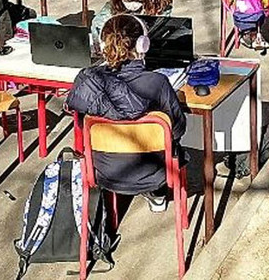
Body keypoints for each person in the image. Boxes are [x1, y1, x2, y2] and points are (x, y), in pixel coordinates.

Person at [65, 13, 186, 212]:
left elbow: (79, 125)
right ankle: (156, 194)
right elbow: (177, 129)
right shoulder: (158, 82)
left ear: (103, 46)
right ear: (142, 45)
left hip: (104, 172)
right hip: (154, 172)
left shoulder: (87, 82)